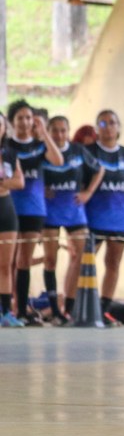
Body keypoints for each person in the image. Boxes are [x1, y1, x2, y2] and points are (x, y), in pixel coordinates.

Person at [41, 116, 104, 324]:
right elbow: (32, 177)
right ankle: (54, 309)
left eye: (63, 130)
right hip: (50, 213)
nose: (59, 135)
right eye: (55, 131)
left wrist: (88, 192)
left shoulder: (78, 151)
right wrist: (41, 190)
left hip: (75, 212)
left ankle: (69, 306)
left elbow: (99, 170)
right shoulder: (43, 152)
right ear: (48, 132)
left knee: (82, 254)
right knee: (50, 260)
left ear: (68, 132)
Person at [86, 110, 124, 325]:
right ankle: (78, 307)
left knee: (113, 263)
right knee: (84, 262)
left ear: (119, 127)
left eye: (112, 122)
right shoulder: (89, 152)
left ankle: (103, 309)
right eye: (103, 122)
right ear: (96, 128)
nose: (108, 126)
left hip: (121, 219)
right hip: (94, 218)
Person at [7, 100, 63, 325]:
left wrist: (44, 134)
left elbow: (58, 160)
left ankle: (21, 309)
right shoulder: (7, 147)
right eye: (20, 118)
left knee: (23, 261)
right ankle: (9, 306)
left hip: (34, 209)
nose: (25, 122)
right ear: (12, 122)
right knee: (7, 261)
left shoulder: (39, 147)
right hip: (9, 208)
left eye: (29, 118)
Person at [0, 111, 26, 327]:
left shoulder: (9, 153)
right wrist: (7, 181)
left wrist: (4, 182)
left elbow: (19, 182)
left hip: (6, 208)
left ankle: (6, 312)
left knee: (6, 265)